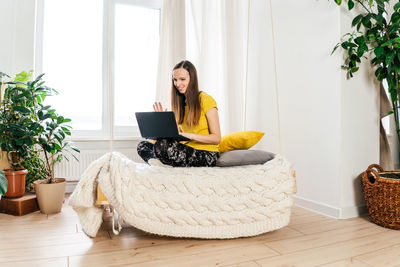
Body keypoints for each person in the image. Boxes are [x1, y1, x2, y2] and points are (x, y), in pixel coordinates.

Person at [137, 60, 221, 167]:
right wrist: (162, 124)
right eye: (175, 80)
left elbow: (217, 138)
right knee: (142, 146)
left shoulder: (206, 100)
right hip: (186, 149)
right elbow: (177, 134)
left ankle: (162, 163)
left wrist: (190, 135)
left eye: (182, 79)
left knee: (162, 145)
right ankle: (162, 163)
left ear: (192, 79)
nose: (177, 84)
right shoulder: (180, 103)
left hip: (207, 154)